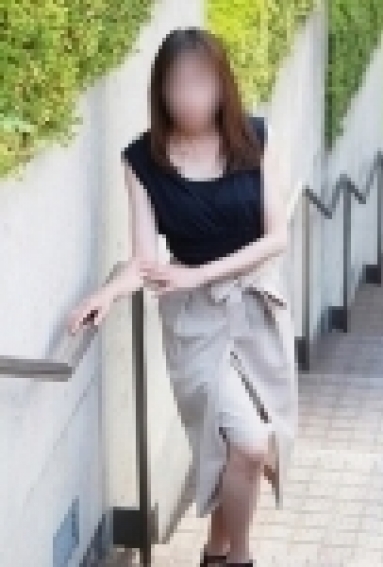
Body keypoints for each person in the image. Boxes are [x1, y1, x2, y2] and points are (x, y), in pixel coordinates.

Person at [66, 26, 298, 567]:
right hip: (195, 322)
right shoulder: (142, 161)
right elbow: (145, 259)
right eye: (177, 84)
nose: (190, 96)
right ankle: (239, 557)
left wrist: (201, 273)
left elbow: (277, 237)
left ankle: (214, 551)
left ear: (222, 85)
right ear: (160, 90)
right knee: (247, 441)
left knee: (244, 444)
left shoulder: (254, 138)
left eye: (201, 82)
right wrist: (108, 293)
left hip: (255, 306)